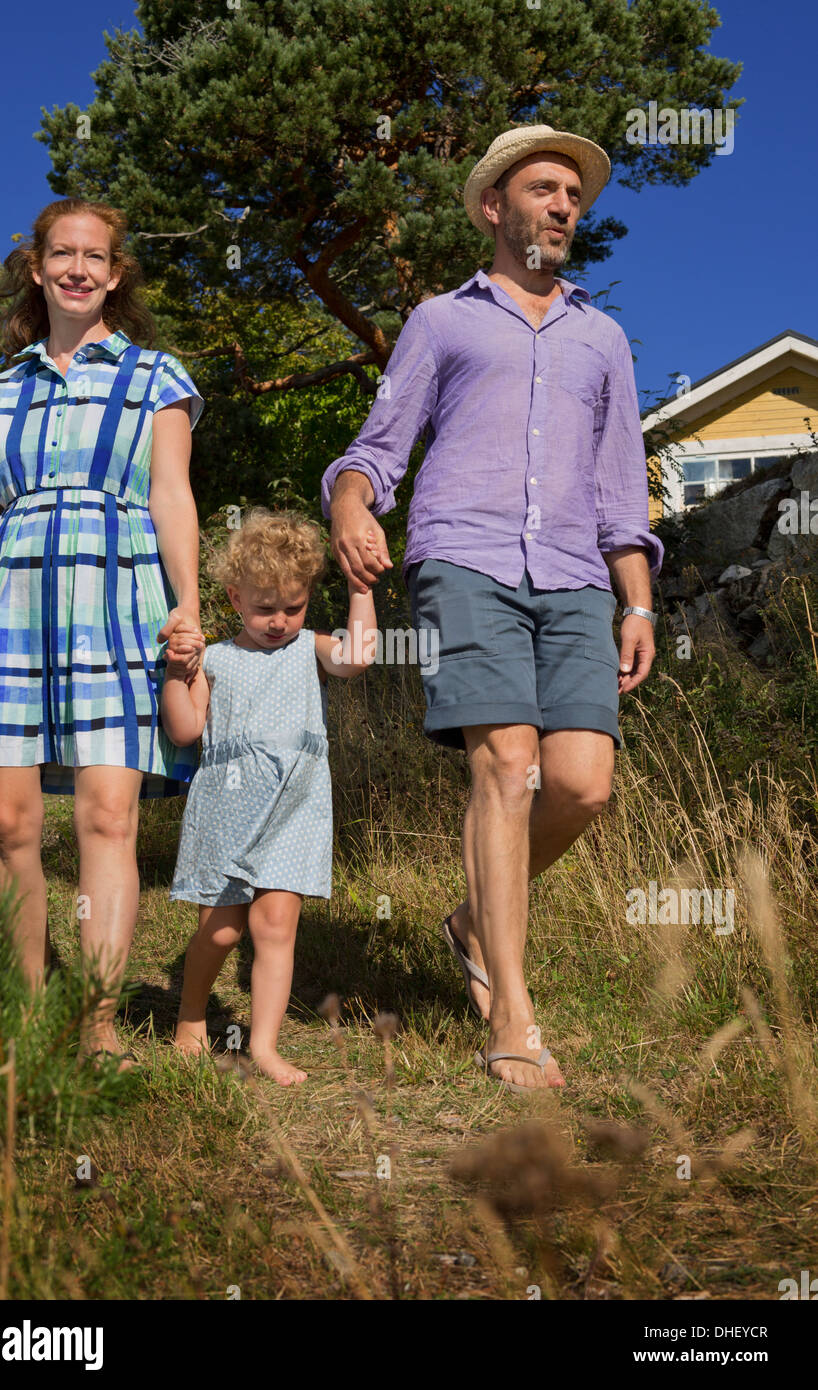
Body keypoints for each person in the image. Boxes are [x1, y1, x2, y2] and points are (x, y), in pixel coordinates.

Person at [322, 124, 664, 1094]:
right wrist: (350, 504)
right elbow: (376, 449)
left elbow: (615, 487)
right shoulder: (441, 321)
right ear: (491, 207)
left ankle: (473, 918)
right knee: (504, 767)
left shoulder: (600, 338)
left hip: (574, 577)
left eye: (572, 193)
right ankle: (511, 1017)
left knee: (581, 784)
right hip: (462, 558)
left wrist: (636, 601)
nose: (562, 204)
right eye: (543, 188)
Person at [0, 198, 204, 1068]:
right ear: (38, 267)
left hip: (118, 596)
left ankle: (95, 1023)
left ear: (115, 272)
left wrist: (188, 602)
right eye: (63, 253)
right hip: (7, 604)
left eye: (95, 256)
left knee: (108, 812)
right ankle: (24, 1019)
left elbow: (172, 494)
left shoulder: (156, 375)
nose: (78, 268)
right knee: (8, 819)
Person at [161, 508, 377, 1085]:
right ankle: (190, 1016)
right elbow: (186, 730)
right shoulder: (217, 659)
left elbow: (358, 658)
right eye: (264, 608)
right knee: (225, 929)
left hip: (295, 809)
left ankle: (263, 1045)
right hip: (228, 809)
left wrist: (360, 589)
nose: (280, 620)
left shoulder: (311, 648)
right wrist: (176, 677)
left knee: (276, 926)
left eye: (293, 606)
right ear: (234, 598)